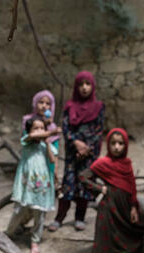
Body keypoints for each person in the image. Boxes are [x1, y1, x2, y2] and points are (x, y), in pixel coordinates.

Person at [79, 128, 144, 253]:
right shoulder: (103, 163)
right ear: (108, 144)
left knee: (137, 230)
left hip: (125, 208)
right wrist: (100, 188)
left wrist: (133, 207)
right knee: (105, 241)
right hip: (108, 208)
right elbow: (83, 177)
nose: (117, 147)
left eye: (121, 143)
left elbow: (131, 186)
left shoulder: (127, 164)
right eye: (113, 143)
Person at [49, 71, 105, 232]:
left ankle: (80, 218)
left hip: (89, 153)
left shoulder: (99, 107)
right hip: (73, 153)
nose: (84, 88)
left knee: (85, 184)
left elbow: (99, 130)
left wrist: (87, 148)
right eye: (81, 84)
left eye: (88, 84)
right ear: (76, 87)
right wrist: (77, 144)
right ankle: (59, 218)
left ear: (92, 86)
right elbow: (66, 128)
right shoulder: (70, 106)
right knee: (69, 184)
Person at [6, 115, 58, 253]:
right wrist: (51, 132)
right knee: (19, 211)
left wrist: (47, 142)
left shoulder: (45, 145)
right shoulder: (26, 141)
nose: (40, 131)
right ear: (29, 130)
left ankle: (35, 240)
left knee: (39, 215)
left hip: (42, 188)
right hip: (26, 186)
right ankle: (8, 233)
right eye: (36, 128)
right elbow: (30, 137)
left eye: (42, 128)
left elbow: (52, 160)